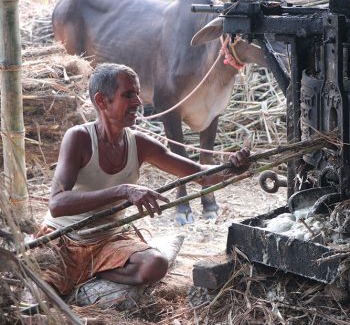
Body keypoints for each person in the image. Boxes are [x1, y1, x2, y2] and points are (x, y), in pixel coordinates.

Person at [38, 63, 250, 296]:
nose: (138, 102)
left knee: (155, 264)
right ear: (102, 101)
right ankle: (86, 270)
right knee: (36, 296)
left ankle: (90, 270)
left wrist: (234, 167)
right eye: (128, 95)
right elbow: (57, 204)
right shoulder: (79, 138)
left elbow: (199, 174)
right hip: (64, 239)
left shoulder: (138, 143)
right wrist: (124, 190)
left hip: (107, 240)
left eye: (137, 94)